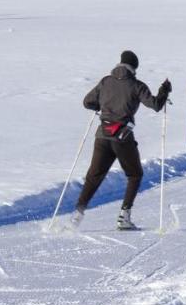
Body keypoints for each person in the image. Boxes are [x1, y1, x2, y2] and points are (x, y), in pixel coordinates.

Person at [72, 50, 171, 230]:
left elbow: (87, 102)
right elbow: (156, 105)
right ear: (134, 68)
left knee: (93, 177)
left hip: (102, 135)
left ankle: (76, 217)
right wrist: (164, 90)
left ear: (120, 64)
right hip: (122, 137)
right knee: (134, 174)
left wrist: (101, 106)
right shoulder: (136, 85)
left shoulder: (106, 81)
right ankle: (124, 217)